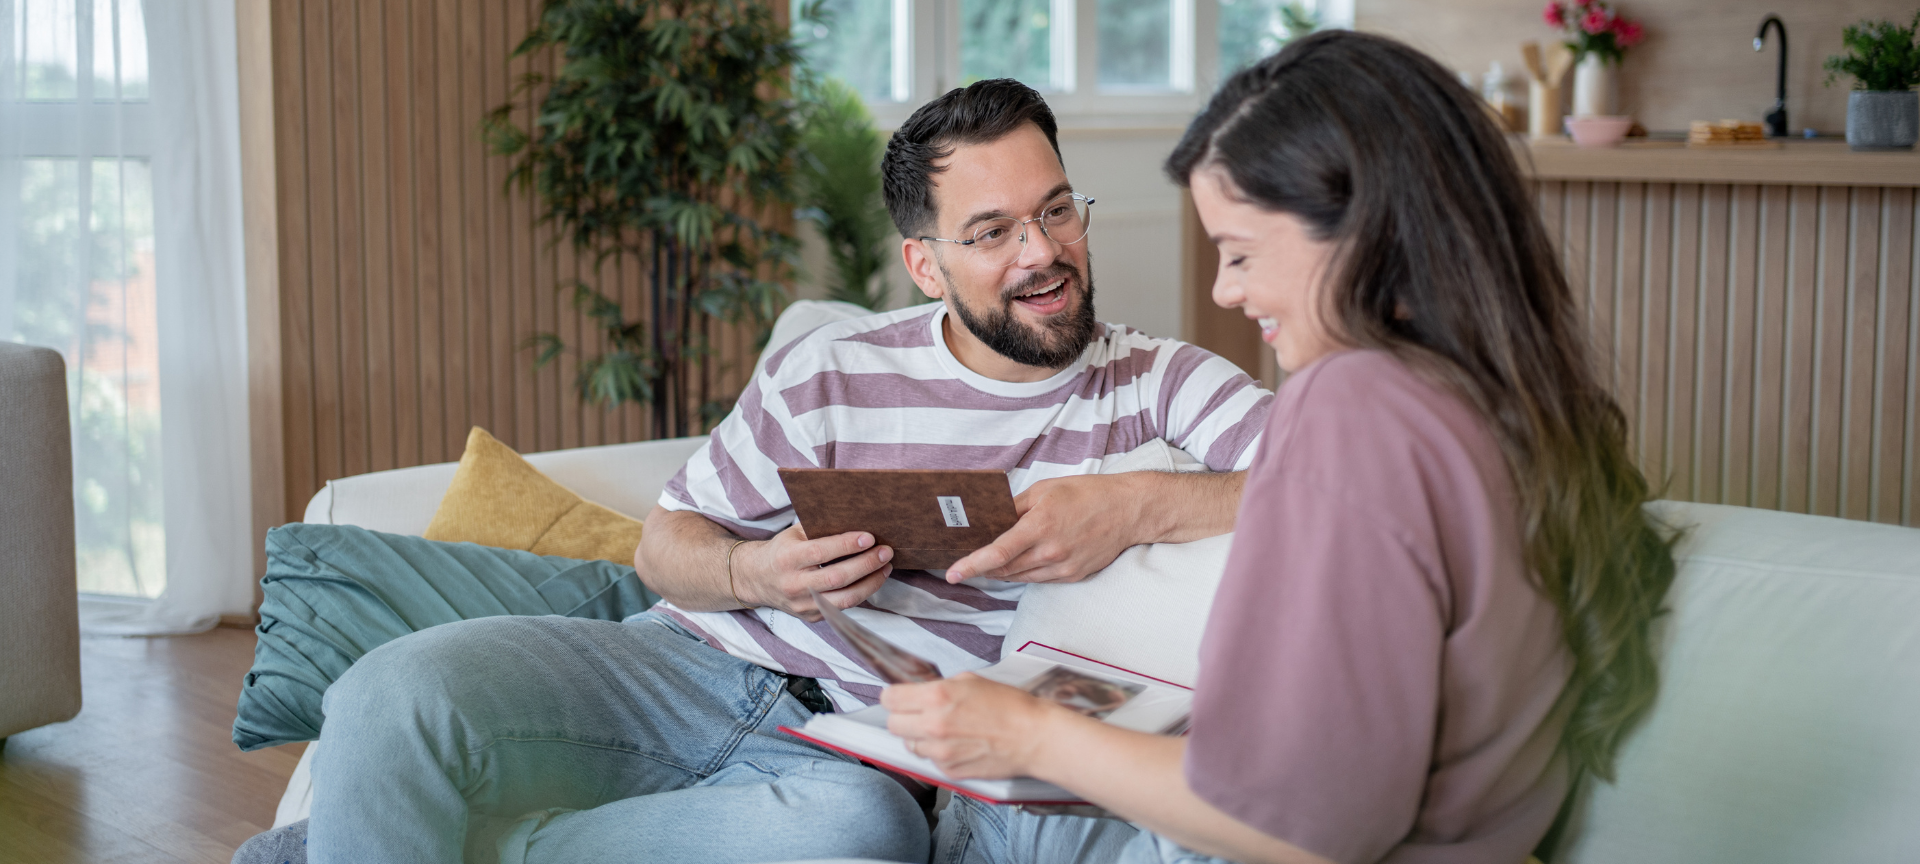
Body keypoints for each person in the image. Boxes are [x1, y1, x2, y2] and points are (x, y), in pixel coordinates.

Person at [253, 78, 1270, 864]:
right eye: (992, 231)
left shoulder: (1156, 381)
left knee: (856, 839)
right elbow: (667, 546)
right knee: (388, 692)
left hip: (863, 755)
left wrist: (1138, 501)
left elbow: (1344, 486)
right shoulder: (830, 369)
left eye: (1057, 211)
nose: (1041, 253)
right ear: (926, 265)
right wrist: (758, 575)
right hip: (688, 668)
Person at [881, 31, 1678, 864]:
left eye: (1240, 253)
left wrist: (1027, 733)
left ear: (1360, 230)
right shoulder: (1514, 400)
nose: (1225, 289)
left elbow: (1294, 823)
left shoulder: (1352, 406)